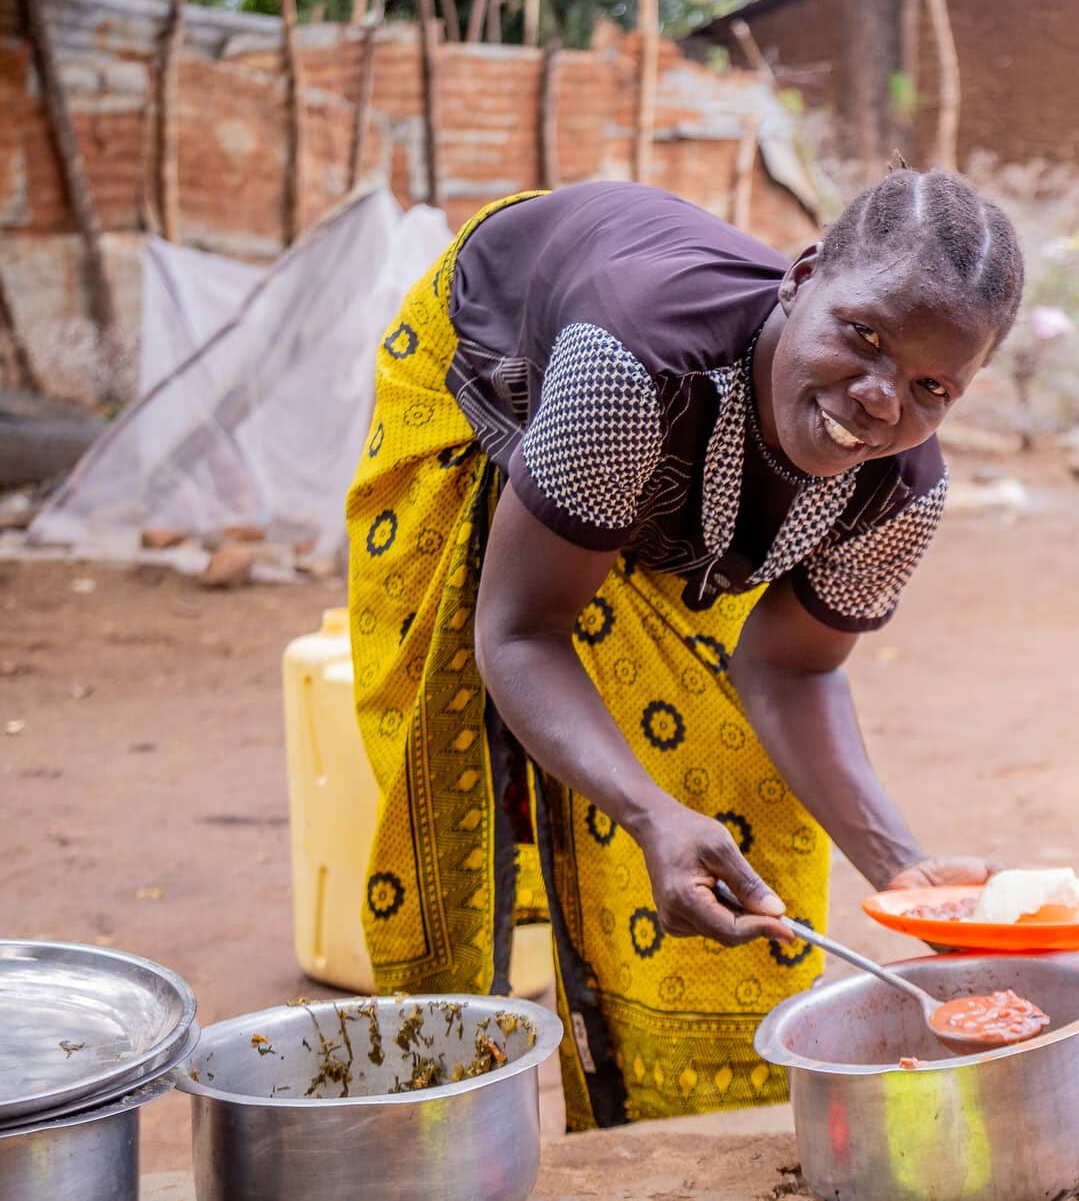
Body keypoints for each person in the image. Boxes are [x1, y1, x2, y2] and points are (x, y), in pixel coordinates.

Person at [343, 170, 1024, 1129]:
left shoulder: (904, 488)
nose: (879, 401)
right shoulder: (632, 371)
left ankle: (681, 1122)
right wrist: (646, 811)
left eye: (931, 387)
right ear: (803, 277)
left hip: (670, 451)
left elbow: (791, 668)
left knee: (741, 797)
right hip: (499, 363)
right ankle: (440, 1126)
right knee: (460, 761)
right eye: (863, 336)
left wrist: (902, 870)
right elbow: (522, 632)